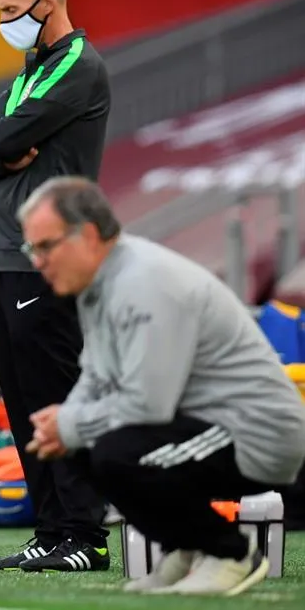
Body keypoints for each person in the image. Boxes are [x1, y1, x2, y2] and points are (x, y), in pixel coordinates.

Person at [19, 176, 305, 596]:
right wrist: (62, 426)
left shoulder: (142, 282)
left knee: (117, 453)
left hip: (257, 433)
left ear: (91, 235)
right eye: (32, 249)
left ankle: (230, 553)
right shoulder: (101, 285)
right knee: (81, 447)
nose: (38, 261)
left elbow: (146, 404)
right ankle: (187, 547)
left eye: (46, 246)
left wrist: (72, 423)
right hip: (207, 426)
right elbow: (96, 377)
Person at [0, 0, 112, 571]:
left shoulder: (79, 67)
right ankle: (51, 529)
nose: (2, 22)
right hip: (6, 258)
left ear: (46, 4)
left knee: (57, 394)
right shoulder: (31, 73)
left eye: (8, 11)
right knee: (24, 401)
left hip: (48, 262)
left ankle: (86, 534)